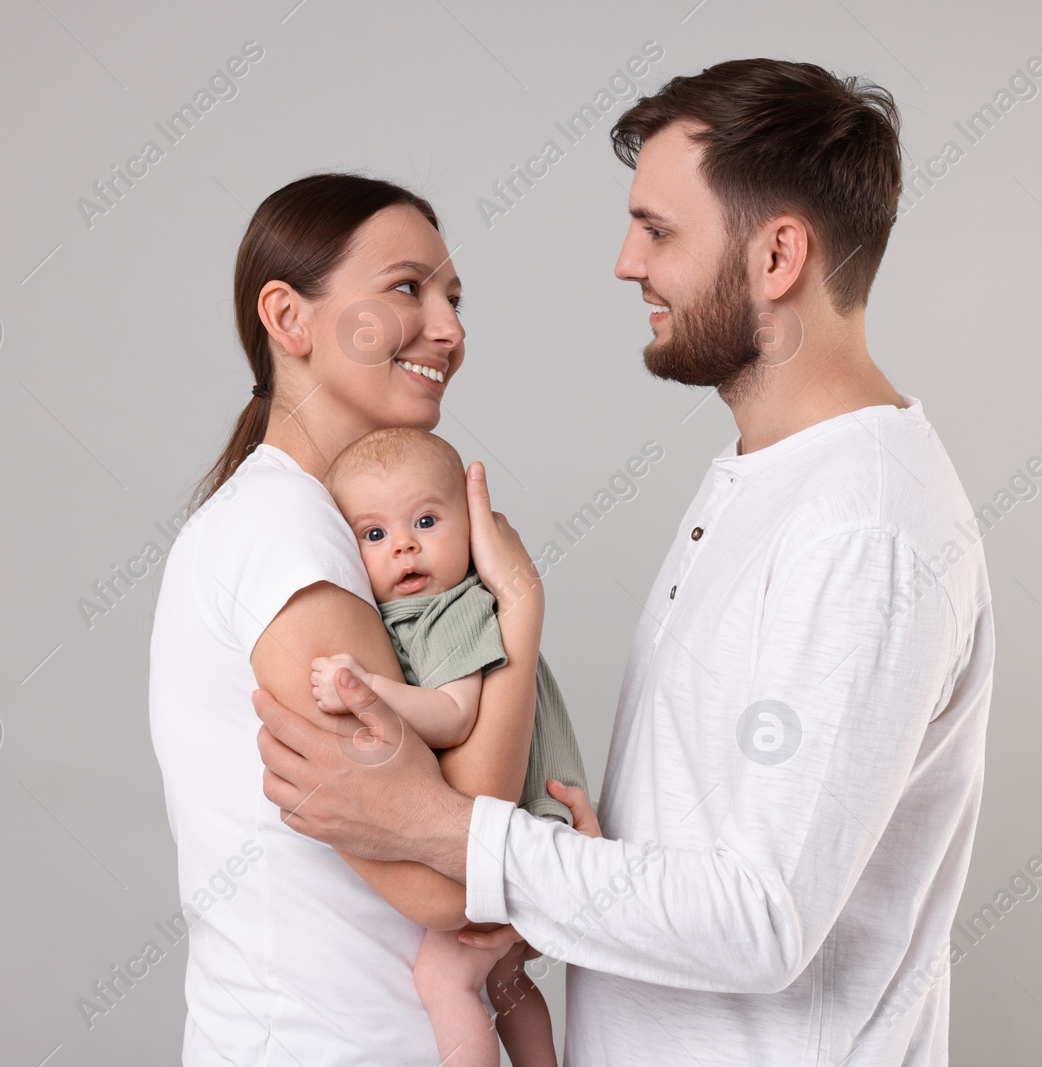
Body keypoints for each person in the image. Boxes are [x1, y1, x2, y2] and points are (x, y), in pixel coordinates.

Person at [255, 58, 996, 1065]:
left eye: (658, 230)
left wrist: (445, 829)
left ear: (777, 255)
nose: (624, 261)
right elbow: (728, 849)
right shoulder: (766, 478)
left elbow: (763, 917)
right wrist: (579, 879)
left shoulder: (861, 530)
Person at [148, 172, 574, 1066]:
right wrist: (520, 613)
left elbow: (443, 831)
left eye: (454, 298)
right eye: (408, 288)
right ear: (289, 318)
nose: (451, 329)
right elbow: (446, 871)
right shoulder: (287, 531)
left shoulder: (324, 531)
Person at [312, 425, 590, 1066]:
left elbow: (452, 716)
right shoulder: (402, 615)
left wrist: (367, 690)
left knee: (444, 977)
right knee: (506, 981)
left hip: (531, 833)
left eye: (427, 520)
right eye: (374, 534)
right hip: (529, 833)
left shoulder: (453, 610)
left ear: (472, 528)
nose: (404, 545)